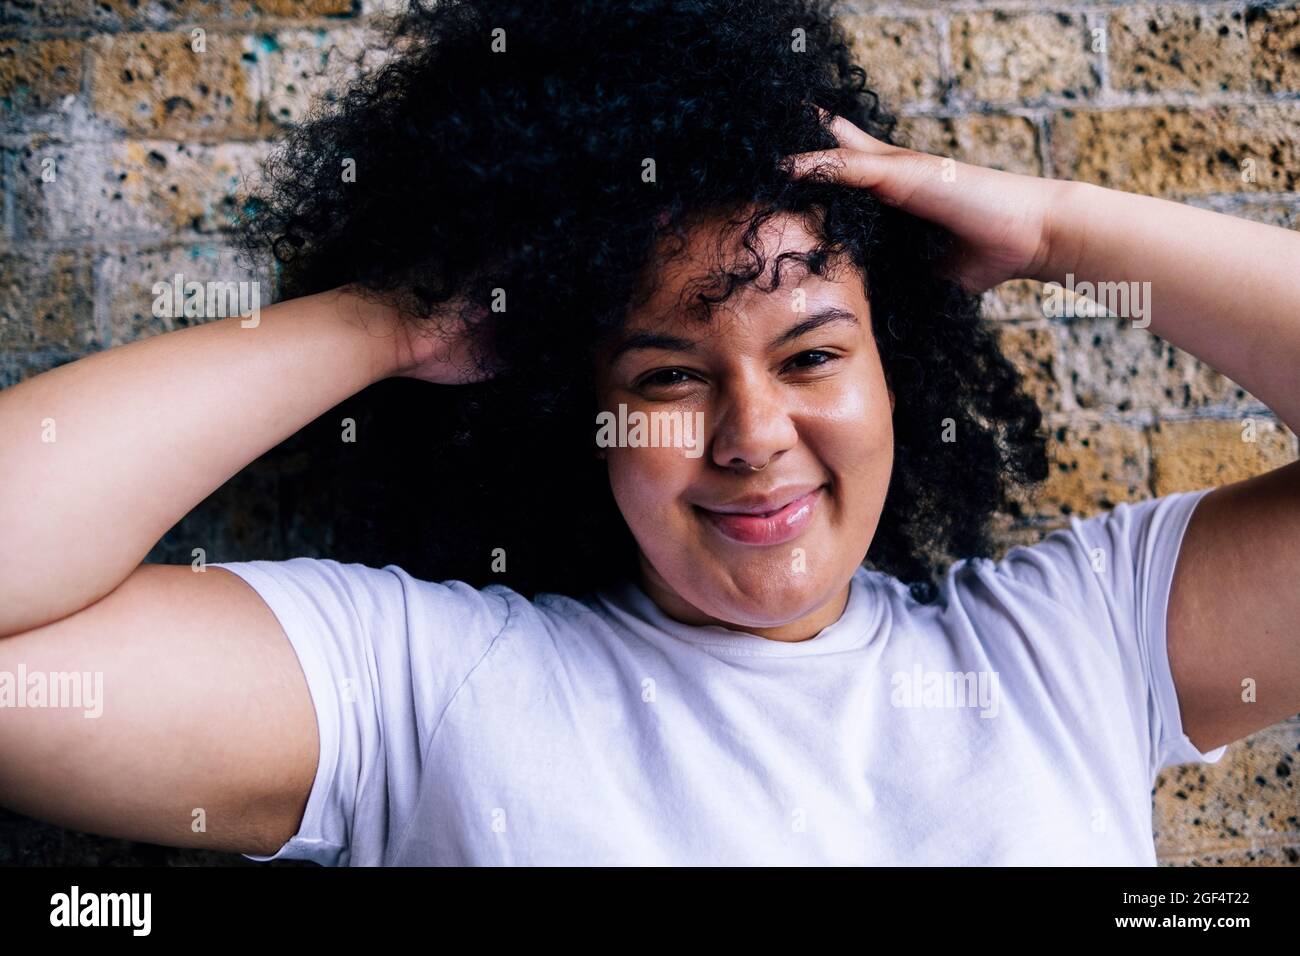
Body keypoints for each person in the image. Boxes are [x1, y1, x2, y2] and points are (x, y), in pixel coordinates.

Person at [0, 0, 1296, 866]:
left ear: (895, 367)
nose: (753, 433)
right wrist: (391, 322)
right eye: (671, 377)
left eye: (813, 354)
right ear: (582, 412)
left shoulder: (1080, 643)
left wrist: (1061, 228)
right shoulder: (417, 687)